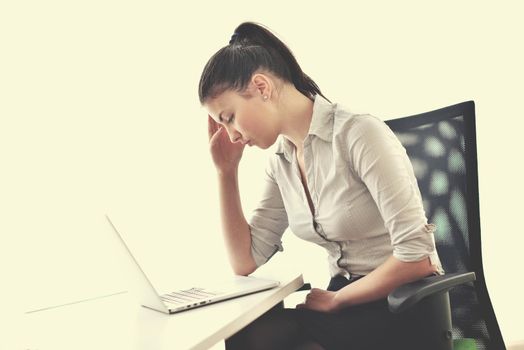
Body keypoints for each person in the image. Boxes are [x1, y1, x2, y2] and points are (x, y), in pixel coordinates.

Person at [198, 21, 444, 350]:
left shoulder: (358, 134)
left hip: (401, 307)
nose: (230, 134)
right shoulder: (282, 162)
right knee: (248, 335)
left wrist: (338, 301)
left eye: (228, 117)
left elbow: (418, 258)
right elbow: (245, 260)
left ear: (261, 87)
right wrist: (225, 172)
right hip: (344, 305)